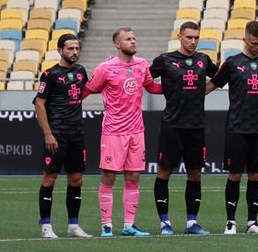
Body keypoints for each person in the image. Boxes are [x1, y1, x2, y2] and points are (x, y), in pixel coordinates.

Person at [84, 26, 162, 237]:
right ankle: (106, 225)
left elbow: (151, 87)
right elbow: (87, 89)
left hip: (137, 130)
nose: (133, 41)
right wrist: (65, 106)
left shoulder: (142, 65)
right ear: (118, 44)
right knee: (109, 177)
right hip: (113, 131)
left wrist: (176, 86)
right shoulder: (105, 68)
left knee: (134, 176)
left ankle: (129, 225)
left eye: (134, 38)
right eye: (128, 39)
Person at [213, 21, 258, 235]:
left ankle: (252, 222)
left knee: (255, 176)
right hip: (236, 128)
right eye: (253, 43)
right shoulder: (232, 63)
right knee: (234, 175)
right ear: (245, 40)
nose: (257, 47)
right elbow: (213, 84)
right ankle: (230, 222)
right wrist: (187, 94)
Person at [150, 21, 217, 235]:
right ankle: (165, 223)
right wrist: (165, 90)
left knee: (195, 174)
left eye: (196, 37)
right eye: (189, 37)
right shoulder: (165, 60)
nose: (193, 41)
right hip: (172, 125)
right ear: (179, 36)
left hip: (196, 126)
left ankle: (191, 223)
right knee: (164, 172)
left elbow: (221, 77)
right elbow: (143, 78)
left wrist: (200, 91)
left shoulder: (203, 60)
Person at [35, 33, 92, 238]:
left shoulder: (80, 71)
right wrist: (48, 133)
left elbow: (82, 92)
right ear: (60, 50)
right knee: (50, 178)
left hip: (76, 133)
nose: (74, 52)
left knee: (76, 179)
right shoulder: (49, 75)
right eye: (70, 49)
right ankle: (46, 226)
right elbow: (39, 103)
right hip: (57, 133)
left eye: (77, 48)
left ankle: (73, 226)